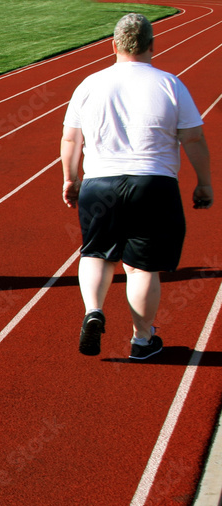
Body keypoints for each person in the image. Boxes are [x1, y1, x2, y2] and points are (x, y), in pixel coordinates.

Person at [62, 13, 212, 360]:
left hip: (100, 183)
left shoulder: (89, 84)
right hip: (153, 183)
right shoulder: (170, 84)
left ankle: (93, 310)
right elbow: (193, 137)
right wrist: (204, 183)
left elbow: (71, 137)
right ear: (152, 45)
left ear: (113, 45)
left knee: (96, 252)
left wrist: (70, 178)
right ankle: (142, 340)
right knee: (142, 267)